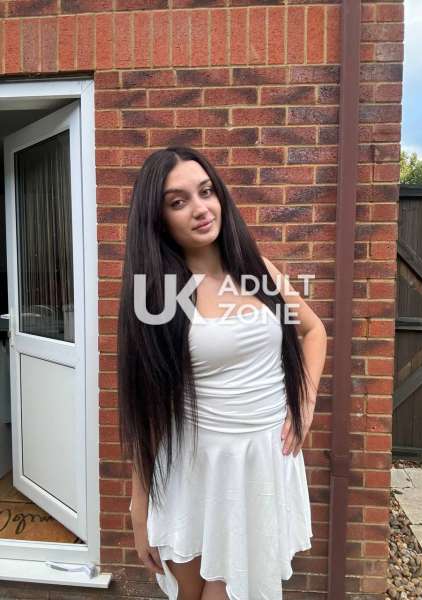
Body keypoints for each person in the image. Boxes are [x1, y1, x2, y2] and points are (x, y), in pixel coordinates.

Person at [117, 146, 327, 600]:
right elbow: (148, 409)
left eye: (206, 191)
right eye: (178, 202)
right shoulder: (159, 295)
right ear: (158, 219)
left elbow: (314, 331)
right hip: (194, 469)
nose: (200, 208)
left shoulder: (258, 273)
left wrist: (305, 404)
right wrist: (139, 504)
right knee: (192, 593)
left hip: (260, 464)